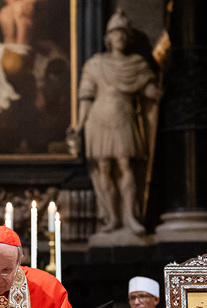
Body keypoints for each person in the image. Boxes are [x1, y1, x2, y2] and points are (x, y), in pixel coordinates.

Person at [70, 8, 159, 235]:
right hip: (98, 120)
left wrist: (158, 90)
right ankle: (112, 217)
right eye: (115, 33)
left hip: (123, 118)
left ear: (127, 38)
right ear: (108, 38)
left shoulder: (137, 64)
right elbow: (86, 98)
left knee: (126, 165)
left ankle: (130, 217)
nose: (119, 37)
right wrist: (79, 126)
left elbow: (149, 91)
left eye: (122, 33)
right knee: (104, 168)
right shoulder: (95, 64)